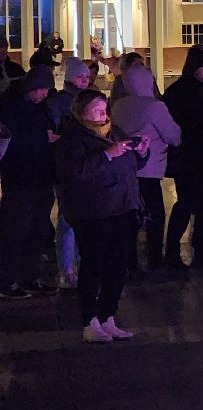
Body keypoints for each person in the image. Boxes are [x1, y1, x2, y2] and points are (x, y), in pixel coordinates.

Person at [55, 89, 148, 341]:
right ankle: (89, 321)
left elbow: (129, 165)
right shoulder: (73, 138)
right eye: (96, 110)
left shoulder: (113, 132)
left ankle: (108, 315)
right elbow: (74, 173)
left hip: (122, 207)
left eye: (104, 109)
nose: (102, 114)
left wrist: (140, 153)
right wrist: (107, 155)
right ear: (81, 111)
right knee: (94, 265)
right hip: (94, 211)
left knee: (118, 265)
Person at [111, 63, 182, 278]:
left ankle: (129, 262)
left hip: (125, 167)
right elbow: (174, 136)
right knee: (154, 215)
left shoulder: (119, 105)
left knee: (130, 216)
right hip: (149, 168)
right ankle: (154, 260)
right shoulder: (155, 107)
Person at [163, 45, 203, 269]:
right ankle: (172, 251)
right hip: (189, 158)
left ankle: (202, 249)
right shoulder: (180, 92)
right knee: (187, 203)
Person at [0, 67, 58, 299]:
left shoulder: (38, 107)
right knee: (16, 230)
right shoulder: (11, 106)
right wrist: (42, 137)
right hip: (20, 177)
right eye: (42, 89)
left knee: (37, 228)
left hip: (42, 175)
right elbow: (9, 137)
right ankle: (7, 279)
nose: (44, 94)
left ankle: (29, 276)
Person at [47, 56, 93, 284]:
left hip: (85, 162)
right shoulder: (60, 102)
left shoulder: (86, 98)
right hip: (67, 164)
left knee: (81, 216)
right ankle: (66, 268)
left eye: (86, 76)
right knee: (68, 218)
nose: (84, 80)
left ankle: (79, 265)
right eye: (80, 76)